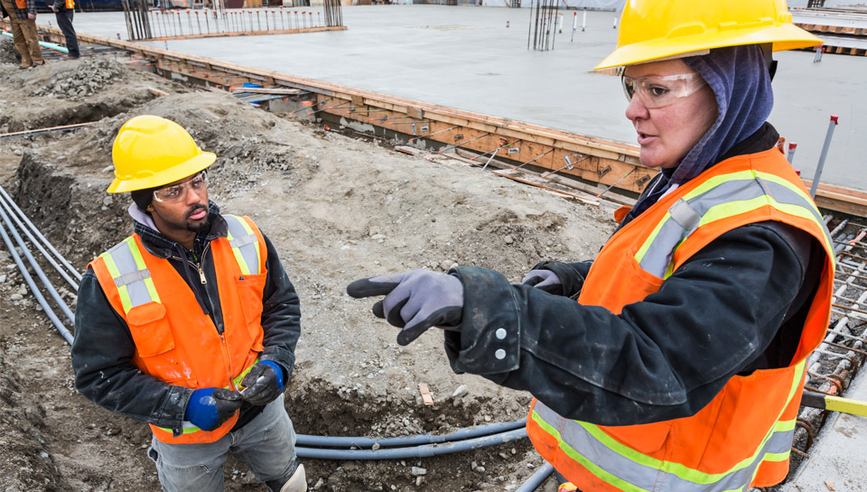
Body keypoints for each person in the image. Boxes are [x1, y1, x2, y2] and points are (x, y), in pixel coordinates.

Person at [347, 1, 836, 491]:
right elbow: (673, 271)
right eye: (631, 85)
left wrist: (490, 310)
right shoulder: (706, 174)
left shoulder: (762, 234)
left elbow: (657, 363)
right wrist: (574, 280)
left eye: (658, 89)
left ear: (733, 88)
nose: (632, 109)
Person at [71, 115, 307, 492]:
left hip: (262, 413)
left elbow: (281, 306)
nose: (195, 197)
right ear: (146, 202)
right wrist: (182, 405)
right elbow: (98, 375)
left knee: (291, 481)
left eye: (197, 182)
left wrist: (277, 361)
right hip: (186, 435)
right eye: (174, 191)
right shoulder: (110, 277)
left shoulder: (246, 236)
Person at [0, 0, 44, 69]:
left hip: (24, 15)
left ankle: (37, 60)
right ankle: (26, 62)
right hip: (13, 18)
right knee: (18, 40)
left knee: (30, 39)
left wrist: (31, 11)